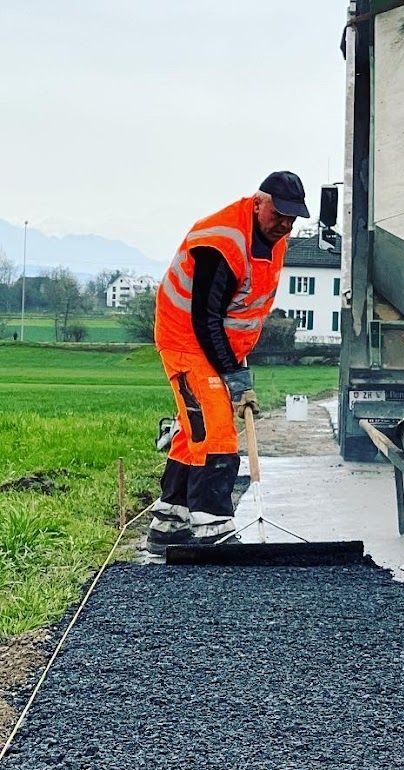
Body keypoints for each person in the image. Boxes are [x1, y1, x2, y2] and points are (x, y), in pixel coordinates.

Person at [144, 171, 309, 554]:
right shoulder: (220, 241)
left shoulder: (274, 239)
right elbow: (206, 318)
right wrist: (233, 374)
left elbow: (242, 305)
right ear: (257, 203)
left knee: (195, 429)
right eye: (278, 215)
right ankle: (212, 527)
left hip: (219, 343)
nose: (285, 225)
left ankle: (169, 521)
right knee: (216, 430)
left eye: (292, 218)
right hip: (186, 340)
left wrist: (236, 362)